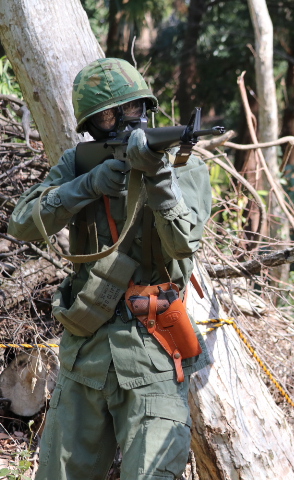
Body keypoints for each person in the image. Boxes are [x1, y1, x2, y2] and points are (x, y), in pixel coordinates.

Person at [9, 58, 211, 480]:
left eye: (131, 109)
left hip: (154, 353)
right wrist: (88, 184)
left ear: (147, 108)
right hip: (86, 351)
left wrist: (158, 177)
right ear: (91, 127)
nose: (122, 122)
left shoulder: (184, 167)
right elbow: (21, 224)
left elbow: (183, 244)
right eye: (107, 116)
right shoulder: (79, 163)